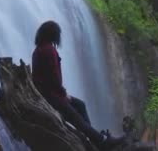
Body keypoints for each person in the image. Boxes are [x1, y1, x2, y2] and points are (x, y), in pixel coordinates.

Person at [31, 21, 125, 150]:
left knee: (80, 105)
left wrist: (62, 92)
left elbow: (46, 78)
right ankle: (101, 141)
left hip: (45, 92)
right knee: (76, 117)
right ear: (53, 34)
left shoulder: (38, 50)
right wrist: (63, 94)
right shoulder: (49, 50)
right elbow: (54, 78)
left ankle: (96, 138)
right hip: (51, 96)